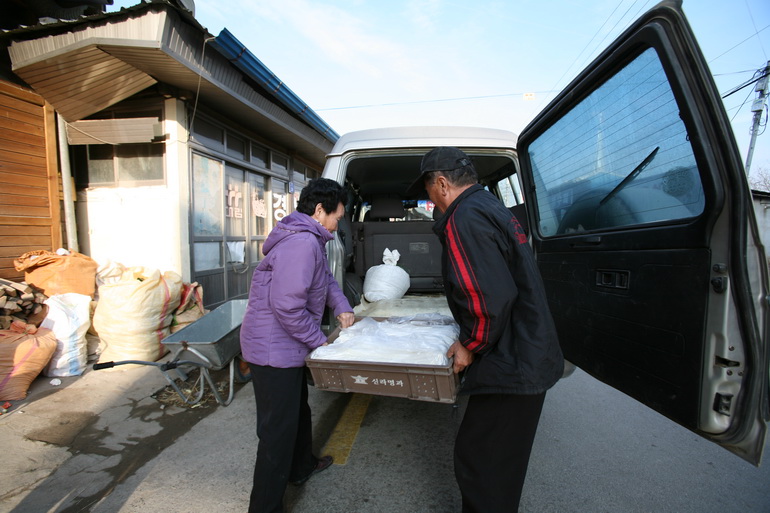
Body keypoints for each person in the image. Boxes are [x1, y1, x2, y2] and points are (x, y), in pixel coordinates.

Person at [407, 147, 564, 512]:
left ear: (442, 184)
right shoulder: (491, 206)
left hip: (512, 361)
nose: (429, 198)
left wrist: (470, 344)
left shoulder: (463, 219)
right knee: (499, 462)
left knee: (482, 462)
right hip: (528, 350)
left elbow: (487, 296)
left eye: (427, 189)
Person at [240, 177, 355, 513]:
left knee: (298, 412)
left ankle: (301, 466)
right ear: (319, 210)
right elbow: (288, 306)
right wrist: (321, 343)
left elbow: (325, 279)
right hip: (272, 350)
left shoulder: (310, 239)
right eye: (337, 217)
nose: (337, 225)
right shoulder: (302, 243)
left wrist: (342, 306)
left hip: (284, 347)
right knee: (276, 433)